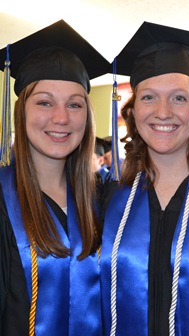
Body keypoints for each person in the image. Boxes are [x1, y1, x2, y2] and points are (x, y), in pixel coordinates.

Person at [100, 22, 189, 336]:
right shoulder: (105, 199)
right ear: (132, 112)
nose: (163, 112)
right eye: (148, 98)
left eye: (178, 98)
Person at [0, 20, 110, 335]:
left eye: (74, 104)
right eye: (45, 102)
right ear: (21, 111)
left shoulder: (104, 198)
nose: (61, 118)